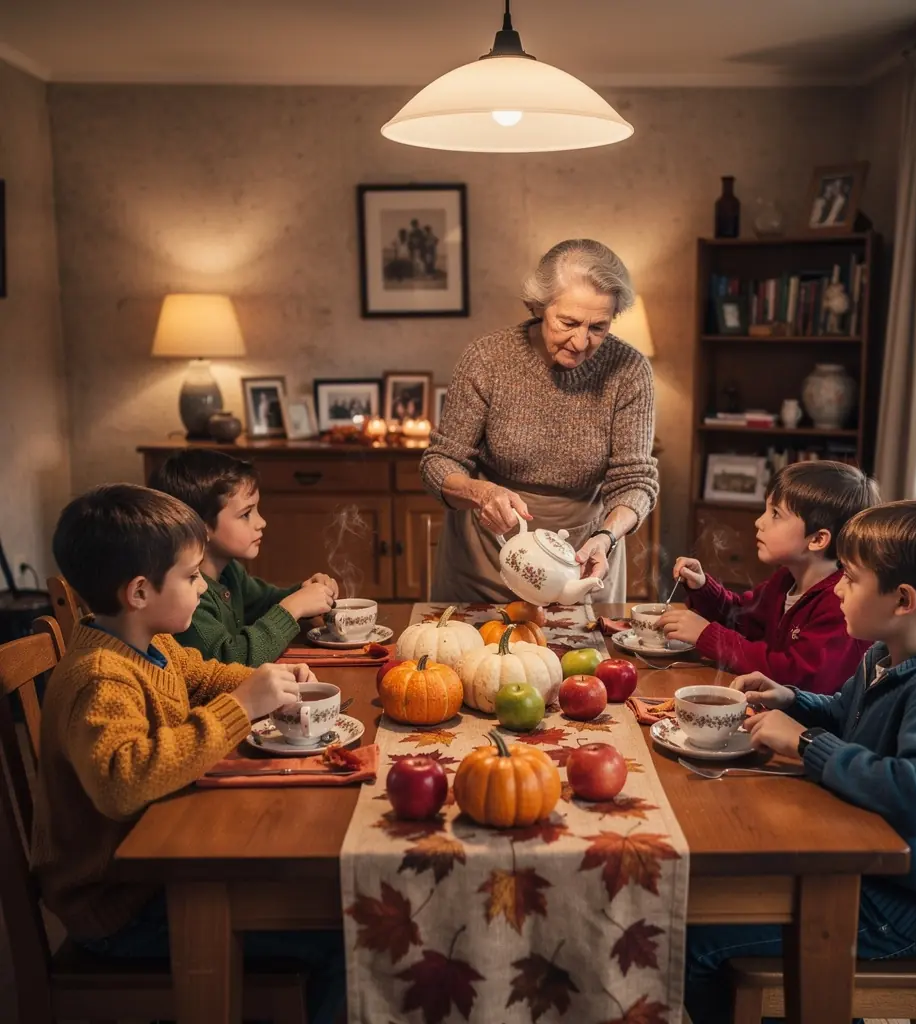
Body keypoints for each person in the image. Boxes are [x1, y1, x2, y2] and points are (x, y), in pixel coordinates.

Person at [31, 484, 346, 1024]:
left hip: (151, 869)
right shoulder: (100, 677)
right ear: (139, 592)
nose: (204, 587)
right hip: (119, 906)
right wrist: (240, 708)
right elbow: (124, 782)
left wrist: (265, 679)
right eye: (192, 576)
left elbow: (201, 677)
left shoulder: (149, 643)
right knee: (339, 934)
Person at [683, 499, 916, 1024]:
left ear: (903, 600)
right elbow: (842, 711)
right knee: (704, 901)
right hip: (870, 876)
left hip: (902, 907)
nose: (836, 590)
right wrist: (792, 699)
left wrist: (806, 744)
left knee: (692, 939)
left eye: (850, 579)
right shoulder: (886, 656)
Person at [420, 238, 658, 603]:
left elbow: (635, 482)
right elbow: (439, 461)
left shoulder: (630, 371)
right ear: (538, 305)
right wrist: (482, 493)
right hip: (487, 555)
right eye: (568, 322)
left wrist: (607, 537)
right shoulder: (487, 360)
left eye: (598, 327)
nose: (580, 342)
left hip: (581, 559)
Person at [658, 461, 880, 694]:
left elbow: (795, 676)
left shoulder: (841, 604)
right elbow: (741, 618)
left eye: (775, 514)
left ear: (817, 539)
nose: (759, 522)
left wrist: (709, 636)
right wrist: (702, 587)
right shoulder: (786, 579)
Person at [149, 449, 339, 665]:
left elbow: (265, 603)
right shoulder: (189, 596)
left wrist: (305, 592)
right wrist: (294, 607)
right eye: (246, 514)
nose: (261, 522)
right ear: (199, 527)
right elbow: (232, 659)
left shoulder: (229, 572)